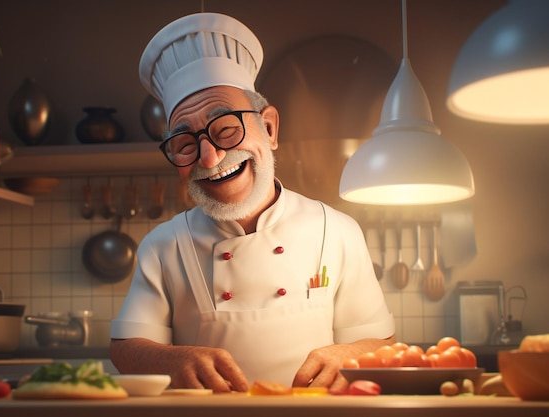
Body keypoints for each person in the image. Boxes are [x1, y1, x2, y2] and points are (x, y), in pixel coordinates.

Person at [110, 12, 395, 393]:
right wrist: (171, 359)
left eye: (226, 129)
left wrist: (350, 354)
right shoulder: (163, 246)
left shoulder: (337, 230)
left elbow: (381, 342)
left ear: (270, 129)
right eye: (184, 144)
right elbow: (126, 349)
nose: (208, 159)